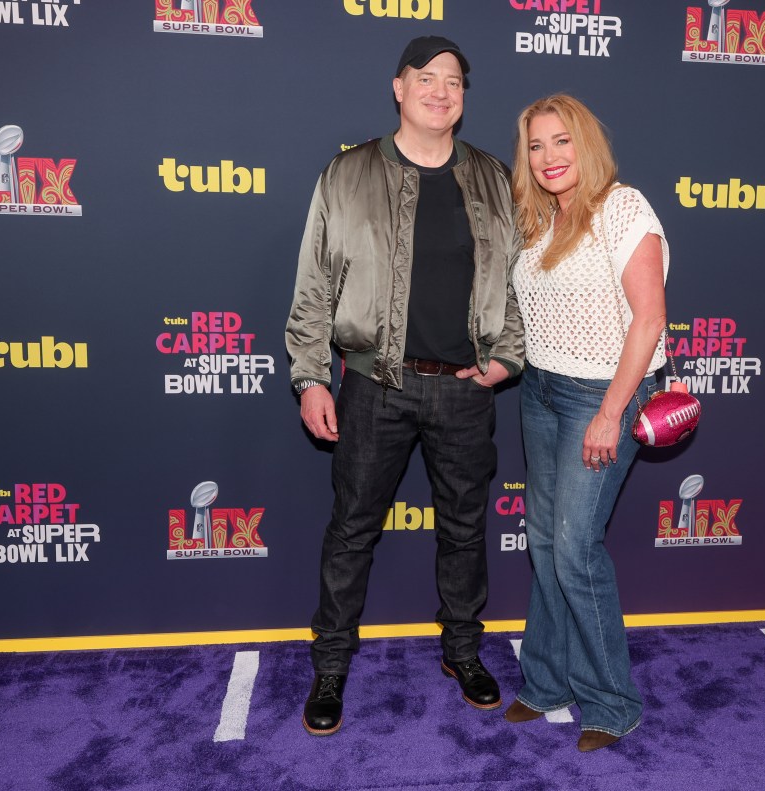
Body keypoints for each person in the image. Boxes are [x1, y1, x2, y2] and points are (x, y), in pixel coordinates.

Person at [285, 36, 524, 737]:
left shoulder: (493, 177)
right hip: (372, 385)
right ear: (399, 88)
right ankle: (330, 664)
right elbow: (314, 287)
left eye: (454, 81)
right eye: (427, 77)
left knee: (464, 529)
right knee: (352, 530)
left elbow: (517, 283)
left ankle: (463, 652)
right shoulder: (347, 174)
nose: (441, 90)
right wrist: (309, 375)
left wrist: (507, 357)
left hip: (464, 388)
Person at [504, 94, 669, 752]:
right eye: (536, 146)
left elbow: (649, 319)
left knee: (574, 549)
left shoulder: (623, 207)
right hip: (541, 389)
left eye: (561, 141)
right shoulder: (540, 219)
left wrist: (609, 412)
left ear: (587, 145)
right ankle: (546, 682)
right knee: (545, 542)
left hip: (601, 396)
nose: (549, 157)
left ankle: (611, 700)